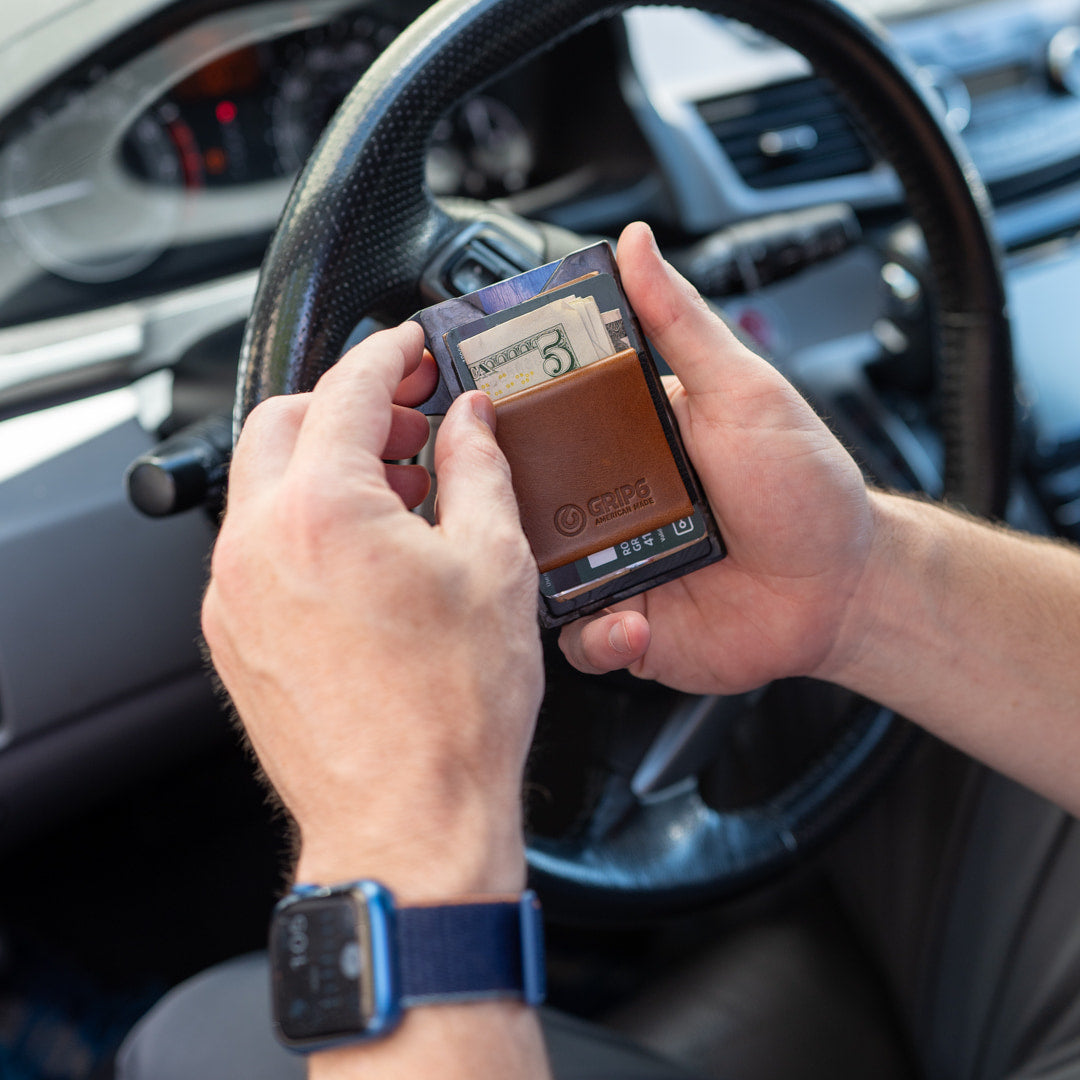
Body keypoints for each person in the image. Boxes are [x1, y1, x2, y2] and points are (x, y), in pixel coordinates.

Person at [121, 222, 1080, 1079]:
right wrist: (861, 583)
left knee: (204, 1039)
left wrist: (397, 806)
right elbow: (849, 581)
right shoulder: (828, 573)